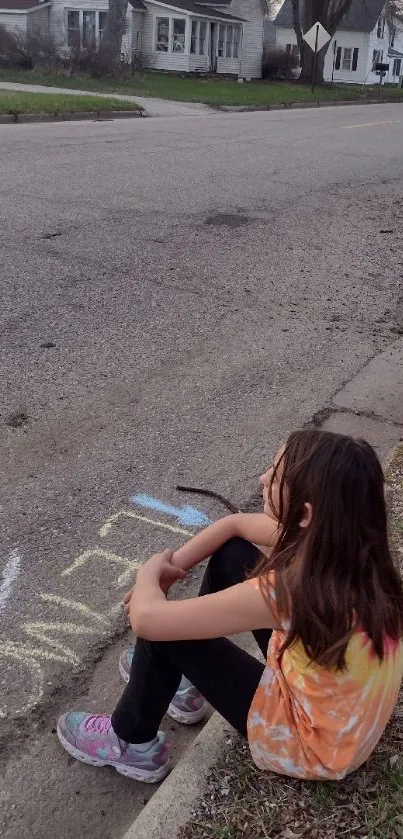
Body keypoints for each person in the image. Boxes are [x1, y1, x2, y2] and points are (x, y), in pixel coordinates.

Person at [57, 429, 403, 783]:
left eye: (275, 475)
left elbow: (146, 620)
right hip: (338, 724)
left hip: (308, 747)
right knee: (234, 555)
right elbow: (234, 526)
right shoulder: (350, 550)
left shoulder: (290, 592)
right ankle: (187, 682)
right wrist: (174, 566)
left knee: (167, 630)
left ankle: (130, 740)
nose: (263, 477)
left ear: (305, 513)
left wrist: (148, 576)